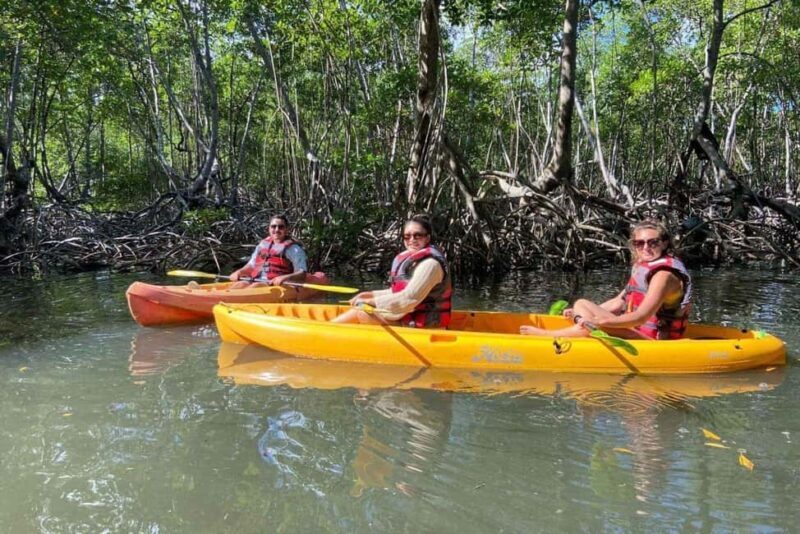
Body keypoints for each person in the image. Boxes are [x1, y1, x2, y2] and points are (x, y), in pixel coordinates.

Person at [520, 219, 692, 339]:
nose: (645, 247)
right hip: (634, 328)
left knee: (593, 323)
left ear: (664, 243)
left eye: (652, 242)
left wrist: (600, 321)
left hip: (652, 339)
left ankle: (548, 336)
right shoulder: (643, 265)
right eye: (639, 243)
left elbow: (641, 317)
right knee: (581, 304)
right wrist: (588, 314)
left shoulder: (664, 276)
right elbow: (620, 301)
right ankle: (581, 328)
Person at [332, 214, 452, 327]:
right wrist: (369, 294)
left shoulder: (430, 265)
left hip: (425, 326)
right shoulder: (415, 262)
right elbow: (399, 291)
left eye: (418, 235)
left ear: (427, 238)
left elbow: (408, 298)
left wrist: (371, 301)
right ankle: (330, 327)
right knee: (361, 309)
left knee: (362, 313)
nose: (412, 239)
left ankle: (329, 329)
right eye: (407, 236)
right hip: (410, 317)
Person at [227, 215, 308, 289]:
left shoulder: (294, 249)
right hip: (255, 280)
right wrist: (239, 272)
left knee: (256, 286)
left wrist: (285, 278)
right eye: (273, 226)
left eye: (281, 227)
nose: (277, 229)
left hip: (276, 285)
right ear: (269, 228)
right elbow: (251, 265)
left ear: (286, 229)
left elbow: (302, 274)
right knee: (240, 284)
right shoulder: (262, 245)